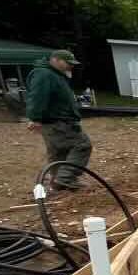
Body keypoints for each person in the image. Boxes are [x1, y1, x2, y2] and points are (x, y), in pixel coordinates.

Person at [25, 49, 93, 190]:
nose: (71, 66)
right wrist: (35, 118)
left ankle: (58, 183)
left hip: (54, 121)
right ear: (55, 60)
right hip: (58, 121)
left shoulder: (53, 74)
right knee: (82, 145)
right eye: (68, 63)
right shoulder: (44, 74)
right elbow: (37, 97)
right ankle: (65, 179)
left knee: (59, 152)